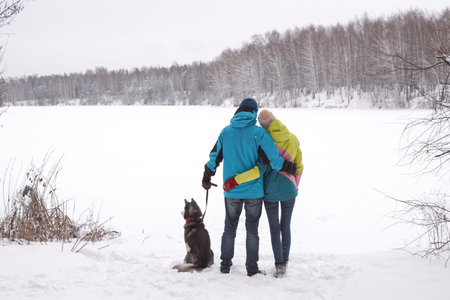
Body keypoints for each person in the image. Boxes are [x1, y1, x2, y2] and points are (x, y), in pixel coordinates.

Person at [202, 98, 296, 277]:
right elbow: (274, 161)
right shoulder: (259, 133)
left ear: (238, 111)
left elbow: (214, 157)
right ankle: (252, 269)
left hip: (232, 190)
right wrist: (290, 167)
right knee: (252, 229)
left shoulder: (226, 132)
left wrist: (207, 175)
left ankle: (225, 265)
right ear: (253, 113)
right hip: (254, 192)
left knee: (229, 227)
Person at [223, 109, 303, 278]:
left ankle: (279, 264)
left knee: (275, 228)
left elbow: (257, 170)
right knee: (285, 226)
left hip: (269, 193)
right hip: (289, 189)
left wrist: (235, 181)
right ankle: (284, 262)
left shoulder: (265, 142)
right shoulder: (293, 139)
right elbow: (299, 166)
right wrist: (295, 185)